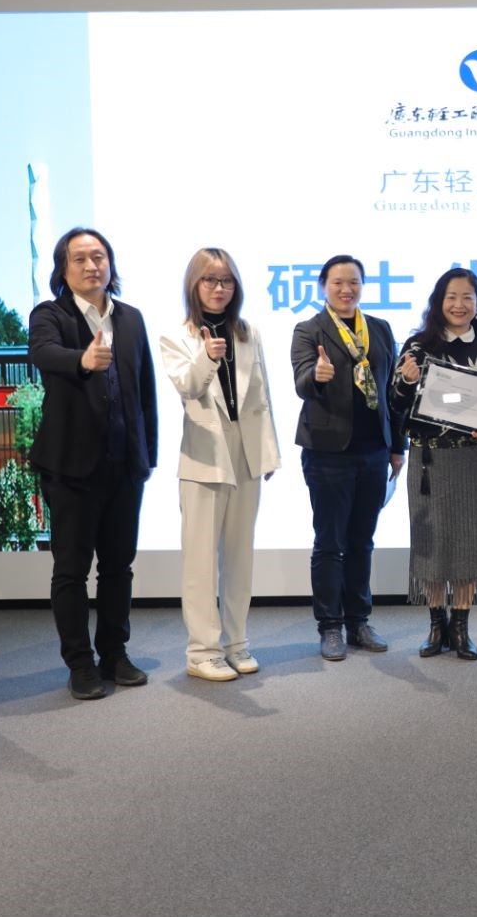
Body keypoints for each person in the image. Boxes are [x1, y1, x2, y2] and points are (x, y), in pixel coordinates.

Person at [27, 227, 158, 700]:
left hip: (125, 465)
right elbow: (43, 354)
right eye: (79, 258)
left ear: (110, 264)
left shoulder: (131, 318)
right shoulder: (51, 315)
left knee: (119, 568)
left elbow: (145, 391)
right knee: (71, 570)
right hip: (71, 468)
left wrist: (147, 454)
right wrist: (83, 359)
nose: (91, 265)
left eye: (98, 256)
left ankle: (114, 655)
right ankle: (79, 664)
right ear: (63, 269)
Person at [160, 247, 281, 682]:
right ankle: (202, 651)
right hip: (204, 454)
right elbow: (188, 387)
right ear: (194, 285)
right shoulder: (177, 336)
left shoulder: (248, 332)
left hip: (246, 450)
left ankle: (235, 643)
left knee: (239, 556)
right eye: (210, 280)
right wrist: (208, 356)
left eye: (226, 280)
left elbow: (262, 396)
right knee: (200, 561)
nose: (219, 288)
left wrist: (268, 452)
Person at [290, 255, 405, 662]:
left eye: (353, 282)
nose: (346, 289)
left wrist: (398, 446)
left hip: (374, 451)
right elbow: (301, 381)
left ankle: (358, 621)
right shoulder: (309, 330)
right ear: (323, 286)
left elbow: (393, 392)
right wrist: (316, 377)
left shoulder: (379, 328)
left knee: (362, 542)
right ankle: (330, 626)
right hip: (328, 453)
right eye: (338, 282)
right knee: (330, 543)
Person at [390, 268, 477, 661]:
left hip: (470, 460)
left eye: (467, 297)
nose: (459, 305)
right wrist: (406, 381)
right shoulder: (418, 346)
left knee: (469, 542)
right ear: (439, 302)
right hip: (429, 461)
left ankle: (461, 628)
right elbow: (395, 402)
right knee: (432, 545)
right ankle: (436, 625)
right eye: (451, 297)